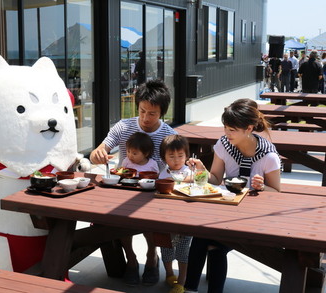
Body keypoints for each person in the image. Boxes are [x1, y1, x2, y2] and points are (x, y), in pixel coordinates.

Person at [184, 98, 281, 293]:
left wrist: (261, 187)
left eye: (232, 130)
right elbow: (215, 179)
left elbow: (277, 192)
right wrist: (202, 170)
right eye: (225, 128)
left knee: (213, 244)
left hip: (253, 217)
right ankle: (190, 289)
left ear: (249, 128)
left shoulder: (268, 155)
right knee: (201, 234)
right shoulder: (223, 145)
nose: (226, 134)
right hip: (227, 210)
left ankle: (190, 289)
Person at [90, 79, 177, 286]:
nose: (146, 118)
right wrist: (98, 154)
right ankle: (131, 259)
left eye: (152, 113)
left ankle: (151, 256)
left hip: (154, 192)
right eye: (142, 111)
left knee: (149, 223)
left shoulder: (169, 135)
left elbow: (176, 166)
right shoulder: (123, 126)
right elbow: (96, 154)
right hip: (124, 187)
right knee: (121, 223)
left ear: (162, 113)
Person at [158, 134, 192, 293]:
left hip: (185, 221)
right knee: (166, 249)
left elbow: (199, 184)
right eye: (171, 156)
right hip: (165, 220)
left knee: (183, 253)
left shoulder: (189, 173)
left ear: (186, 156)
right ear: (164, 157)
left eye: (180, 156)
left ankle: (182, 281)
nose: (176, 160)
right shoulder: (163, 173)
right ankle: (169, 274)